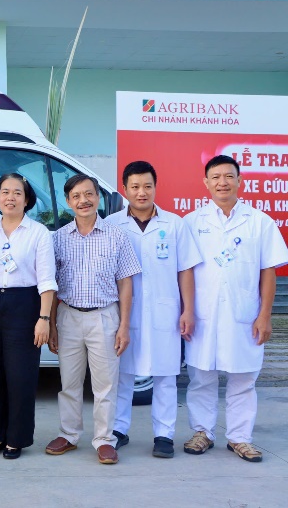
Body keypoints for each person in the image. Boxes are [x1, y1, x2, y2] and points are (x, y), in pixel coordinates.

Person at [182, 155, 288, 462]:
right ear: (205, 183)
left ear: (240, 181)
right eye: (215, 177)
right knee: (201, 376)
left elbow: (268, 271)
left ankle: (240, 438)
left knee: (244, 379)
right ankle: (202, 432)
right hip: (203, 314)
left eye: (229, 176)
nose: (222, 183)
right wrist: (187, 310)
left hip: (245, 315)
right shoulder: (192, 222)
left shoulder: (259, 222)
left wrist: (265, 315)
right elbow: (185, 270)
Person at [105, 161, 201, 459]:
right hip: (124, 312)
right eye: (135, 186)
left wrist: (188, 310)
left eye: (147, 186)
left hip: (164, 310)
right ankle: (118, 430)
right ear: (124, 189)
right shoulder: (111, 224)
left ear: (155, 187)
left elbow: (185, 270)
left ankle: (164, 435)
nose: (141, 192)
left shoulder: (174, 224)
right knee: (121, 374)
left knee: (165, 375)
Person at [45, 174, 140, 465]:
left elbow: (126, 282)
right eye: (76, 196)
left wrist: (124, 326)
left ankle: (104, 440)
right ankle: (69, 434)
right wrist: (51, 325)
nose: (83, 201)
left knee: (105, 385)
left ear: (98, 197)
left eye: (89, 194)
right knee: (69, 382)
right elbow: (50, 286)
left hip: (105, 316)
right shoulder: (58, 238)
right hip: (69, 316)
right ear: (67, 201)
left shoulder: (116, 235)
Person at [0, 173, 56, 460]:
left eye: (18, 192)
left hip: (25, 305)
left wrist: (44, 319)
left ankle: (16, 438)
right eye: (5, 192)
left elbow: (47, 280)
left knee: (21, 376)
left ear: (27, 199)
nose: (11, 197)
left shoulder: (38, 233)